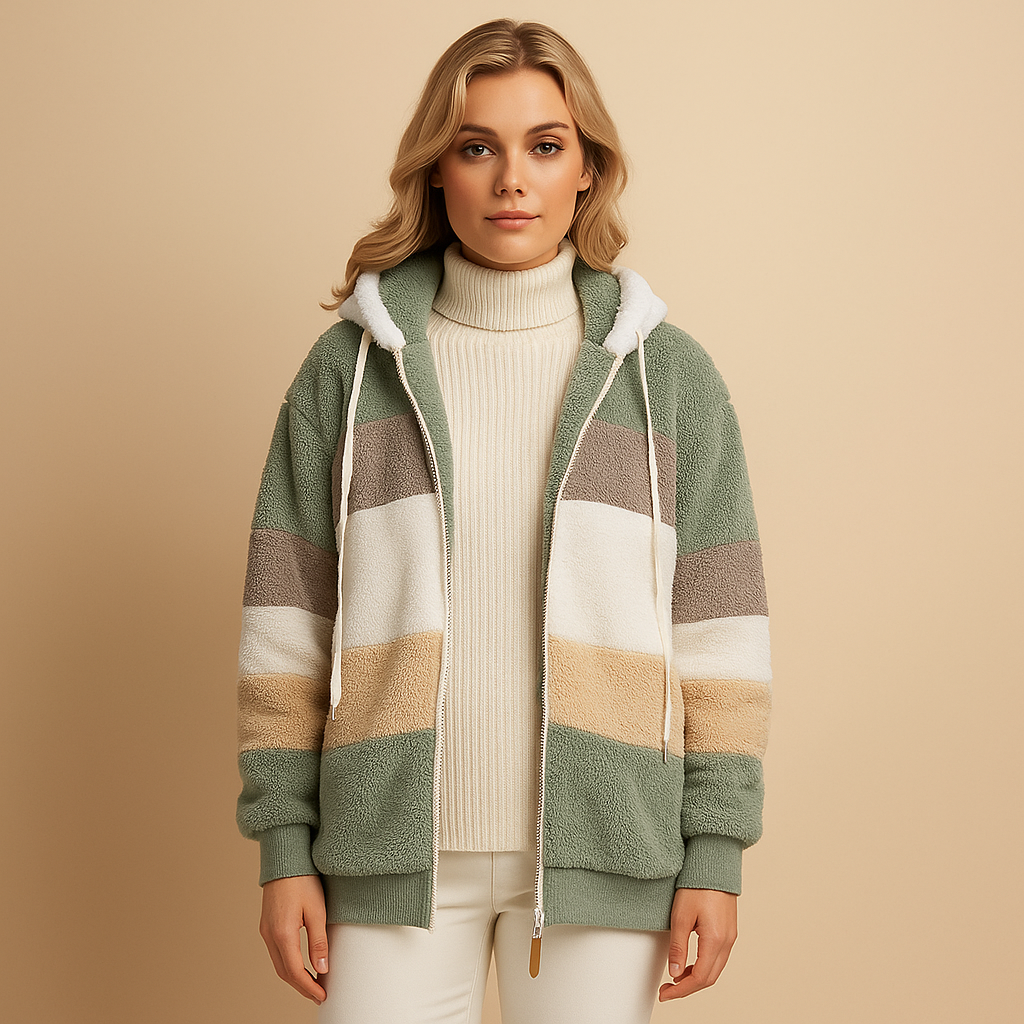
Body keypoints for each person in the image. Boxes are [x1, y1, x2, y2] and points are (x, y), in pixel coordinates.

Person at [235, 17, 771, 1024]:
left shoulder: (669, 380)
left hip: (605, 849)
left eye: (545, 145)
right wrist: (282, 847)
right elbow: (286, 625)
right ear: (437, 169)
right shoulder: (349, 372)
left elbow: (721, 636)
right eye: (477, 146)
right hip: (385, 849)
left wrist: (715, 852)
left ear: (587, 168)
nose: (512, 179)